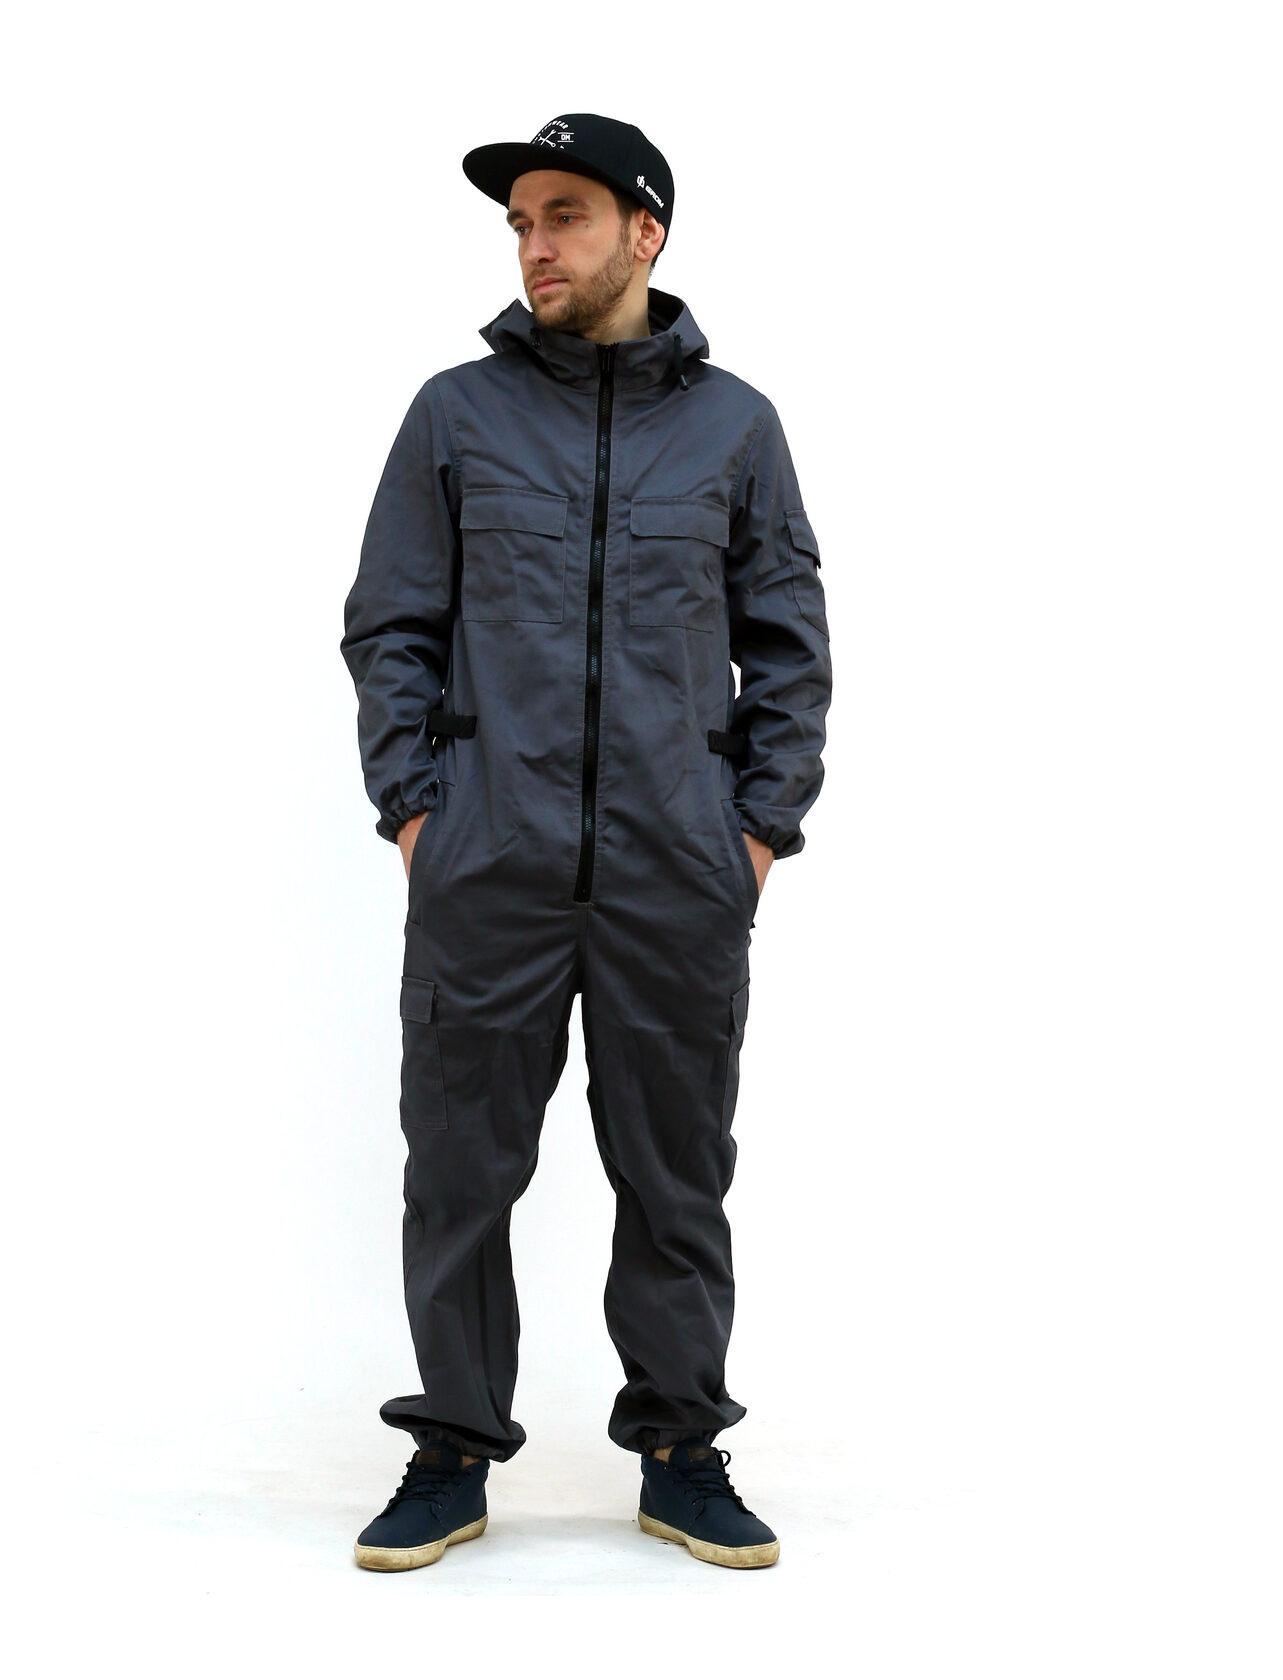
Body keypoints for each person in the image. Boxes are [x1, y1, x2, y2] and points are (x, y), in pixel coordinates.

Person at [340, 112, 833, 1572]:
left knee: (676, 1173)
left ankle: (681, 1449)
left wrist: (756, 831)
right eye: (520, 223)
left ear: (645, 231)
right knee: (459, 1173)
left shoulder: (736, 428)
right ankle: (451, 1448)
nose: (534, 245)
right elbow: (390, 626)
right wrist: (419, 811)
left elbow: (788, 641)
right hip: (489, 862)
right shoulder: (456, 416)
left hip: (677, 872)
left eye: (564, 214)